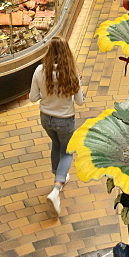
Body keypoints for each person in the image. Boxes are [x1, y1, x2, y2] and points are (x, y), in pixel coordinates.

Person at [29, 36, 84, 216]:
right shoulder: (71, 73)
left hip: (47, 119)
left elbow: (32, 97)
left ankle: (59, 174)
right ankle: (57, 187)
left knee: (56, 145)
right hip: (65, 120)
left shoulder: (39, 71)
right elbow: (80, 101)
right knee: (67, 151)